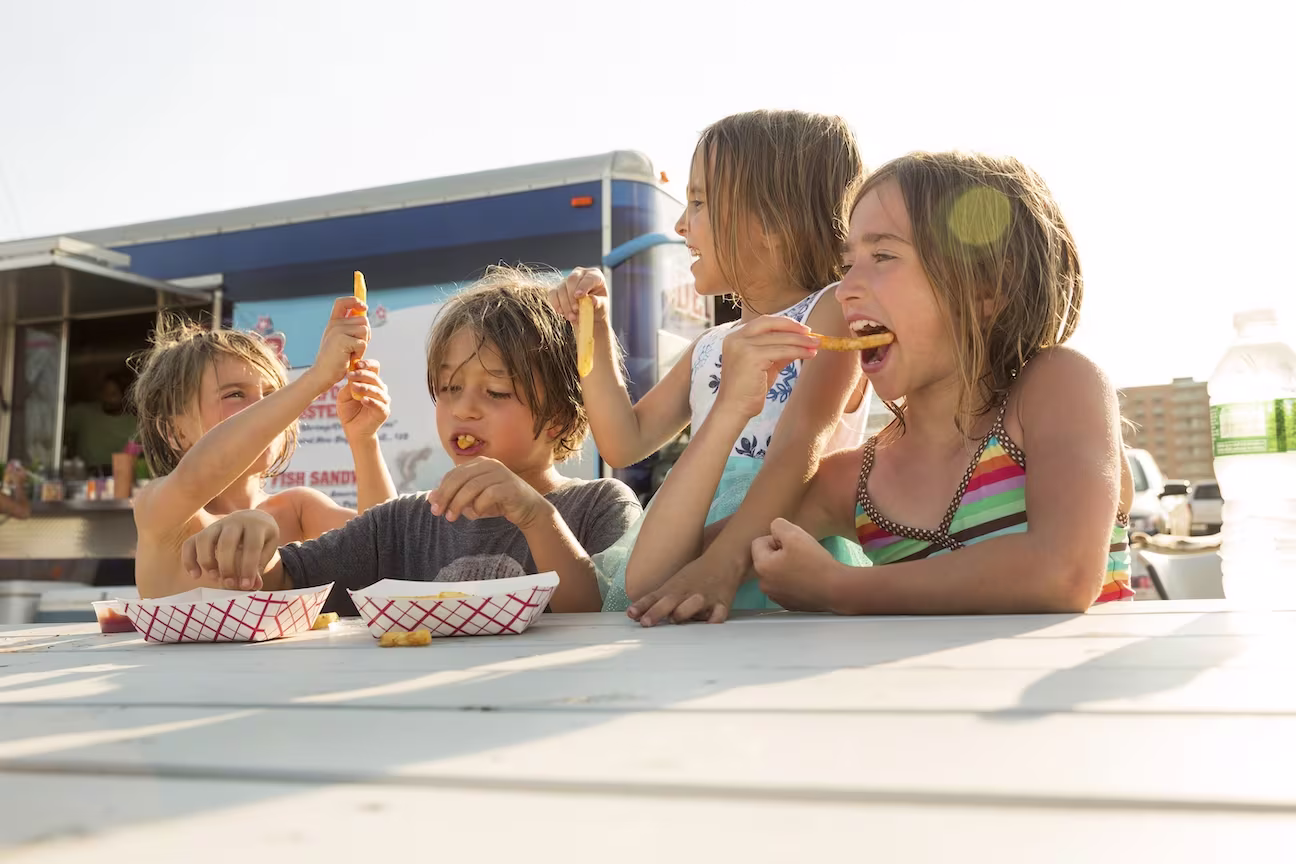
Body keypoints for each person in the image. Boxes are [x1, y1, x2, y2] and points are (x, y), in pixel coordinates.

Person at [746, 151, 1135, 614]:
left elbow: (1062, 573)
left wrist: (837, 587)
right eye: (847, 263)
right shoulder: (851, 484)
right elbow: (699, 567)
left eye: (883, 255)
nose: (845, 288)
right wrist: (729, 408)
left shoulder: (1058, 388)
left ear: (987, 287)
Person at [549, 109, 870, 623]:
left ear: (773, 222)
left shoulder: (829, 310)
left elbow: (798, 447)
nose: (680, 223)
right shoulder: (709, 346)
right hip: (686, 544)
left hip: (770, 556)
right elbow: (623, 441)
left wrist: (723, 562)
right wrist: (596, 330)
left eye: (698, 202)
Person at [178, 266, 643, 614]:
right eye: (449, 388)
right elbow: (291, 581)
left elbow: (601, 613)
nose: (464, 408)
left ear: (560, 416)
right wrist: (251, 550)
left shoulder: (600, 505)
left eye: (496, 391)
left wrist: (536, 517)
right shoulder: (403, 523)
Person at [130, 299, 397, 599]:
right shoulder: (158, 509)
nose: (263, 408)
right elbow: (199, 474)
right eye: (235, 394)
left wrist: (364, 440)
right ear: (175, 432)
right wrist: (316, 379)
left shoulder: (298, 509)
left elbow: (387, 549)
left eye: (271, 395)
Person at [63, 371, 138, 471]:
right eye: (104, 392)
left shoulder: (134, 422)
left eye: (113, 394)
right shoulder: (83, 413)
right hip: (87, 476)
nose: (107, 398)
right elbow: (58, 429)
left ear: (125, 397)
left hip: (122, 475)